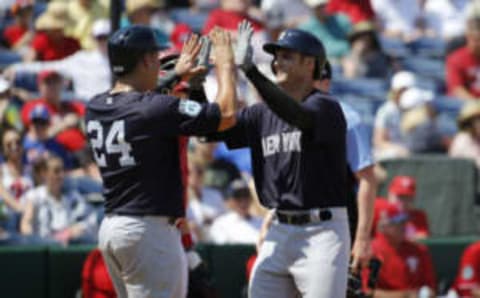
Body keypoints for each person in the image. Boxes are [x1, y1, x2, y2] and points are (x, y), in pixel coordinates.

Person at [87, 25, 238, 298]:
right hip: (149, 232)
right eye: (156, 58)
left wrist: (177, 75)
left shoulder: (95, 106)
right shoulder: (155, 108)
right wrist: (227, 66)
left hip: (113, 229)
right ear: (145, 60)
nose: (160, 65)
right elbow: (225, 114)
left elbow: (138, 102)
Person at [210, 21, 352, 297]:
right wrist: (206, 78)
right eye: (276, 56)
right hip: (278, 229)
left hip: (321, 231)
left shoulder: (325, 106)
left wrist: (250, 71)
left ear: (310, 63)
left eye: (287, 55)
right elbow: (212, 129)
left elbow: (297, 116)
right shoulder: (261, 113)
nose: (277, 62)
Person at [313, 60, 376, 269]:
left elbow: (366, 178)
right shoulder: (287, 116)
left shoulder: (347, 117)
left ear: (326, 82)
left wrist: (362, 238)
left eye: (314, 79)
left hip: (337, 216)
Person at [7, 19, 112, 101]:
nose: (103, 41)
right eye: (100, 37)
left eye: (106, 37)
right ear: (93, 38)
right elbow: (48, 66)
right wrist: (16, 67)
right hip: (86, 106)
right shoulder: (81, 59)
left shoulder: (122, 59)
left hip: (112, 107)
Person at [363, 202, 436, 297]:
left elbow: (431, 287)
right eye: (398, 223)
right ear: (384, 226)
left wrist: (427, 293)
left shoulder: (418, 250)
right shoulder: (373, 252)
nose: (403, 227)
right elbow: (368, 292)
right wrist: (404, 295)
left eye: (404, 222)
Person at [20, 156, 98, 245]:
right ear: (44, 174)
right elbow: (26, 224)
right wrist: (32, 242)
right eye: (56, 171)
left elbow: (90, 219)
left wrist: (78, 228)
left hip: (68, 244)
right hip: (44, 245)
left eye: (63, 170)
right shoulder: (34, 196)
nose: (61, 175)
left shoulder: (72, 196)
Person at [373, 71, 416, 160]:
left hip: (411, 151)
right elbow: (378, 141)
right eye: (402, 90)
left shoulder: (417, 108)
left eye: (407, 90)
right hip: (390, 152)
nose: (405, 94)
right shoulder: (386, 110)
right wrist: (398, 149)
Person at [373, 176, 430, 241]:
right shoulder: (378, 209)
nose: (403, 201)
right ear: (390, 195)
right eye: (400, 197)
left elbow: (423, 237)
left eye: (408, 197)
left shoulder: (419, 216)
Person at [209, 178, 263, 244]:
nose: (243, 201)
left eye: (246, 195)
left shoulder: (262, 222)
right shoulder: (221, 224)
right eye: (238, 197)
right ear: (229, 201)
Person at [446, 18, 480, 100]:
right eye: (476, 40)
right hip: (464, 105)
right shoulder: (456, 59)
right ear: (468, 37)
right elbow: (457, 90)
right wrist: (475, 104)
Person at [449, 101, 480, 169]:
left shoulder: (476, 138)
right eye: (478, 119)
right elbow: (475, 164)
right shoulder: (462, 139)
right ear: (470, 122)